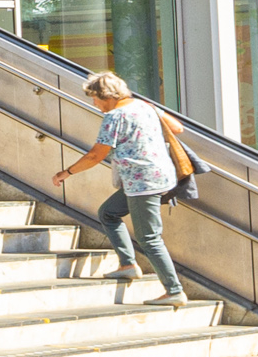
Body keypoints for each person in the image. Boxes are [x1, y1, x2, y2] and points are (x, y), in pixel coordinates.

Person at [50, 71, 197, 298]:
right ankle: (128, 265)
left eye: (94, 98)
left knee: (149, 238)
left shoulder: (115, 116)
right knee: (108, 213)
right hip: (159, 177)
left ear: (106, 95)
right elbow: (177, 128)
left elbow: (95, 155)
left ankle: (174, 291)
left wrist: (66, 173)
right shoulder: (145, 106)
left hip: (143, 183)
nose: (94, 103)